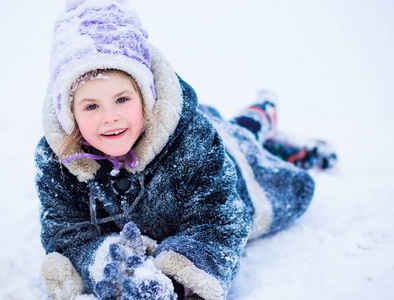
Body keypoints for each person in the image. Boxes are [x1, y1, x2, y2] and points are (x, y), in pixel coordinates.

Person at [35, 1, 336, 299]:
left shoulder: (193, 137)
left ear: (146, 96)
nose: (109, 116)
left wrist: (178, 280)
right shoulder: (57, 160)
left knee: (244, 135)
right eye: (91, 106)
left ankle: (264, 111)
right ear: (69, 114)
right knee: (231, 126)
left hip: (235, 160)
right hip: (208, 127)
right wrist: (110, 262)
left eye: (122, 99)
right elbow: (67, 235)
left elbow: (219, 219)